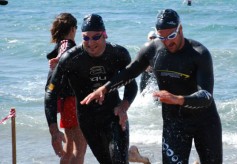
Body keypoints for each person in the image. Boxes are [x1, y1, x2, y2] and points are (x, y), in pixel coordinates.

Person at [81, 9, 223, 164]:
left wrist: (177, 99)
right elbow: (129, 73)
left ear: (180, 29)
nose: (168, 42)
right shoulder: (153, 49)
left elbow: (206, 97)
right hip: (174, 123)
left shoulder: (199, 53)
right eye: (162, 37)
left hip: (205, 122)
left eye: (171, 36)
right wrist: (105, 88)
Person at [45, 13, 139, 163]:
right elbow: (50, 92)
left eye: (95, 37)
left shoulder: (118, 54)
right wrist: (54, 131)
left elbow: (132, 85)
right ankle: (133, 154)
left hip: (114, 115)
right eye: (86, 38)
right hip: (88, 121)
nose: (90, 43)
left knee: (119, 161)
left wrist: (123, 107)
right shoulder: (70, 59)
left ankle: (131, 155)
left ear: (104, 35)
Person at [44, 13, 87, 164]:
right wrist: (59, 59)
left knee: (69, 149)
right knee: (80, 149)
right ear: (73, 29)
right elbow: (65, 52)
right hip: (71, 102)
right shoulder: (67, 44)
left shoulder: (60, 44)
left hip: (64, 102)